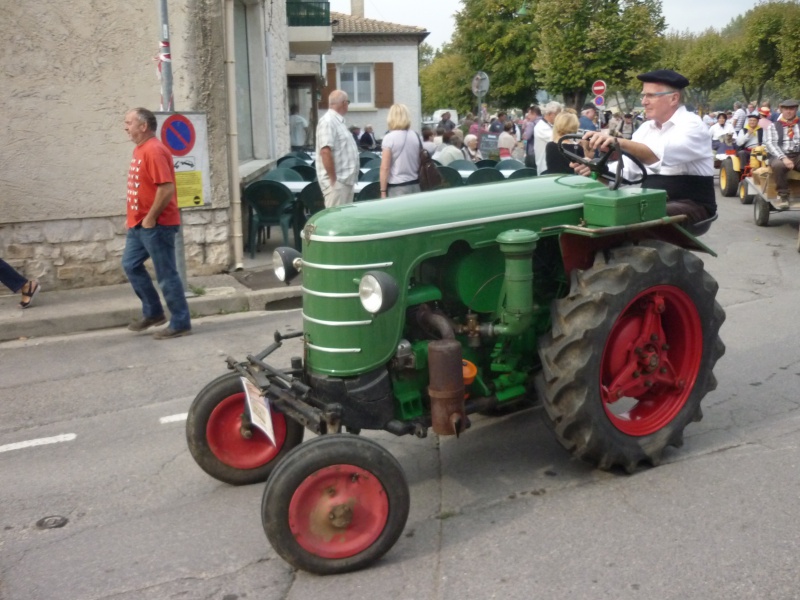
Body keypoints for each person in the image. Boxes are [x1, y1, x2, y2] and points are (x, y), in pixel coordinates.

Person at [573, 69, 716, 225]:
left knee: (630, 214)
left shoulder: (692, 125)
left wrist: (616, 141)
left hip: (692, 204)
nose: (643, 101)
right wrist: (596, 170)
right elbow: (628, 170)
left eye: (651, 95)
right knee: (587, 209)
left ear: (674, 98)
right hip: (652, 201)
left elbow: (655, 155)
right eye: (644, 95)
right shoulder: (646, 128)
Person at [122, 107, 191, 339]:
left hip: (157, 224)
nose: (125, 126)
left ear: (143, 126)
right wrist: (132, 217)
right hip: (139, 224)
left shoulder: (154, 150)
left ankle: (180, 322)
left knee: (166, 273)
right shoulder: (140, 149)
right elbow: (142, 188)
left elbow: (167, 187)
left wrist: (150, 218)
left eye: (129, 122)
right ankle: (153, 313)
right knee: (131, 265)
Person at [315, 90, 359, 207]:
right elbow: (325, 151)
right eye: (348, 102)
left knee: (344, 222)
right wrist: (333, 180)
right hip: (338, 183)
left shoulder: (338, 122)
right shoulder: (328, 121)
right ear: (344, 103)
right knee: (336, 223)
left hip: (345, 182)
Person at [763, 98, 800, 208]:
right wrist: (784, 158)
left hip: (798, 154)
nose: (789, 112)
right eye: (786, 109)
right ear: (781, 110)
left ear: (796, 110)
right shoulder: (773, 126)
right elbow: (770, 144)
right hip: (780, 155)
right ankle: (783, 196)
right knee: (778, 166)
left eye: (792, 109)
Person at [379, 104, 421, 199]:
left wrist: (383, 191)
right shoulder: (416, 136)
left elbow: (385, 167)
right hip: (415, 183)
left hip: (397, 185)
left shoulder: (389, 138)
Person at [533, 101, 562, 176]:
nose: (560, 118)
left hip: (550, 166)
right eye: (558, 115)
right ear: (551, 114)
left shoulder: (548, 125)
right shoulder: (541, 127)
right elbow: (558, 140)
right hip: (545, 167)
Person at [522, 105, 542, 169]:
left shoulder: (531, 124)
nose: (528, 116)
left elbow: (526, 137)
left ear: (534, 114)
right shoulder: (544, 122)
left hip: (532, 152)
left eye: (529, 114)